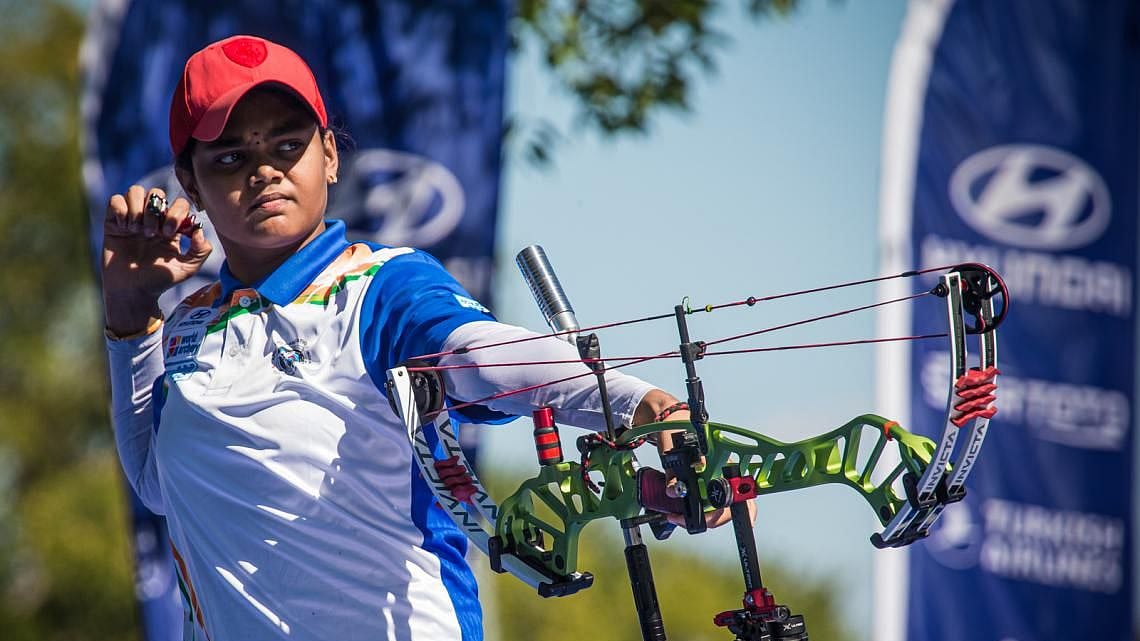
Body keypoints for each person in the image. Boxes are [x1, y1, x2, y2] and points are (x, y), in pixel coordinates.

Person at [103, 35, 726, 641]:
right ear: (190, 182)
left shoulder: (380, 287)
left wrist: (634, 401)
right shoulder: (188, 324)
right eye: (231, 157)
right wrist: (131, 319)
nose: (265, 171)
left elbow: (476, 353)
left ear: (330, 154)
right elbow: (160, 485)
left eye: (288, 146)